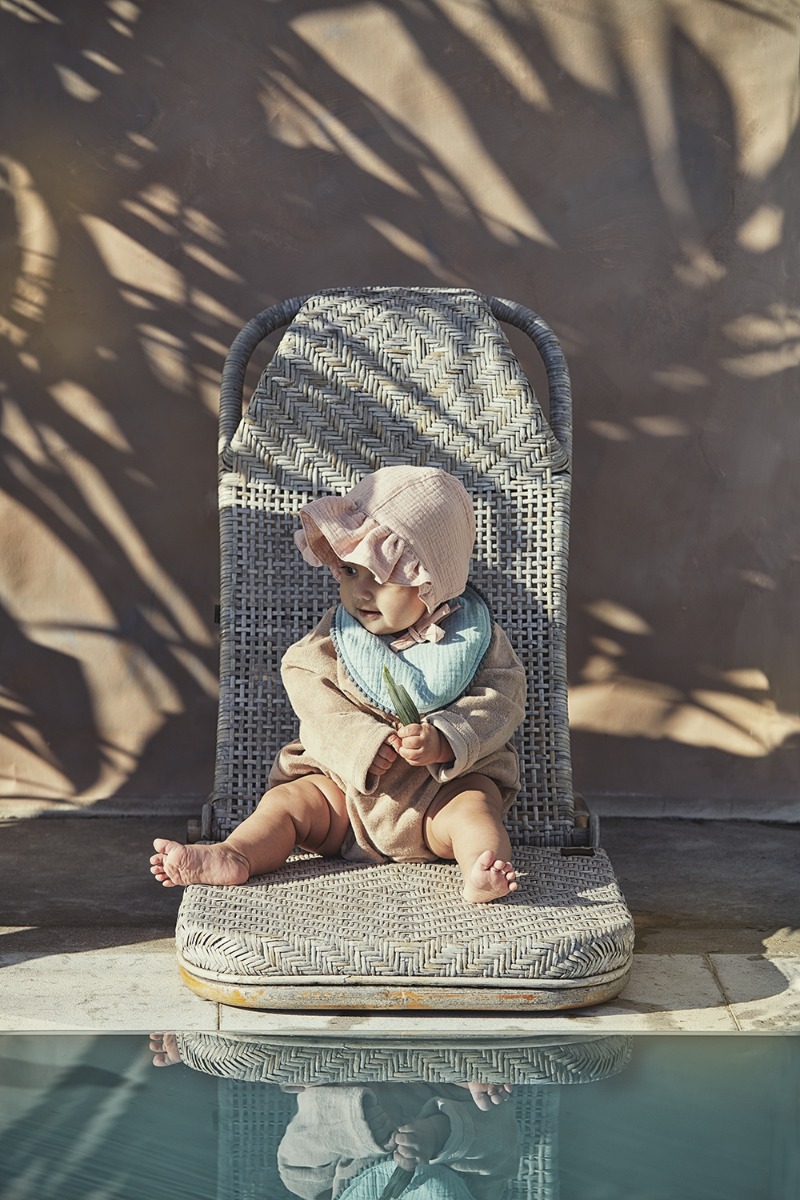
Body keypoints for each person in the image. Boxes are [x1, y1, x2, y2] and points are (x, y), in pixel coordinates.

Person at [150, 466, 527, 903]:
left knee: (475, 809)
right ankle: (236, 854)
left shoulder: (474, 638)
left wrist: (446, 739)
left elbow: (503, 699)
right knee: (288, 805)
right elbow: (310, 690)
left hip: (438, 796)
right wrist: (362, 742)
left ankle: (482, 868)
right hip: (341, 793)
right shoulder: (335, 637)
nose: (361, 591)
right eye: (349, 571)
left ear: (431, 578)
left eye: (379, 576)